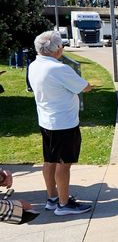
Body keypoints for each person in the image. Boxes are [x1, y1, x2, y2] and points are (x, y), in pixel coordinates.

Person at [27, 30, 93, 215]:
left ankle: (53, 197)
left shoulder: (34, 65)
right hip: (63, 122)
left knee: (50, 160)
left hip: (46, 119)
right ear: (57, 49)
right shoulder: (58, 68)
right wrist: (89, 85)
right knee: (64, 164)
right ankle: (64, 204)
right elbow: (84, 87)